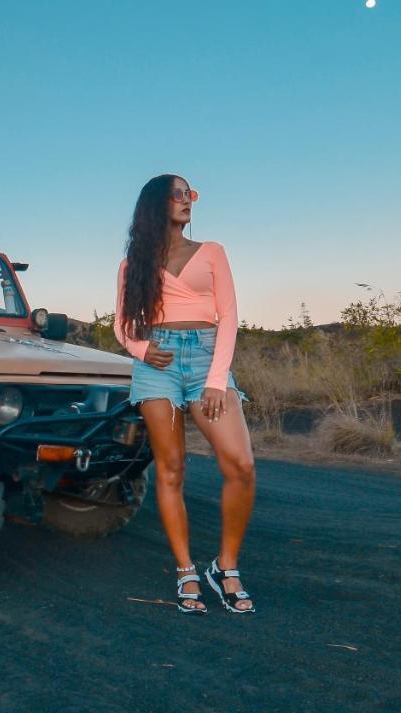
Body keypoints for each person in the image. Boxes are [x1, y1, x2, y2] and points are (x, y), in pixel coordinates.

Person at [114, 174, 256, 614]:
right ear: (155, 204)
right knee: (171, 469)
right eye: (177, 194)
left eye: (190, 194)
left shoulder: (211, 252)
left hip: (206, 362)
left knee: (241, 464)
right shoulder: (132, 264)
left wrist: (217, 380)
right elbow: (122, 324)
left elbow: (228, 317)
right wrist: (141, 348)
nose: (186, 200)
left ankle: (225, 565)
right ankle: (185, 570)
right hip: (157, 366)